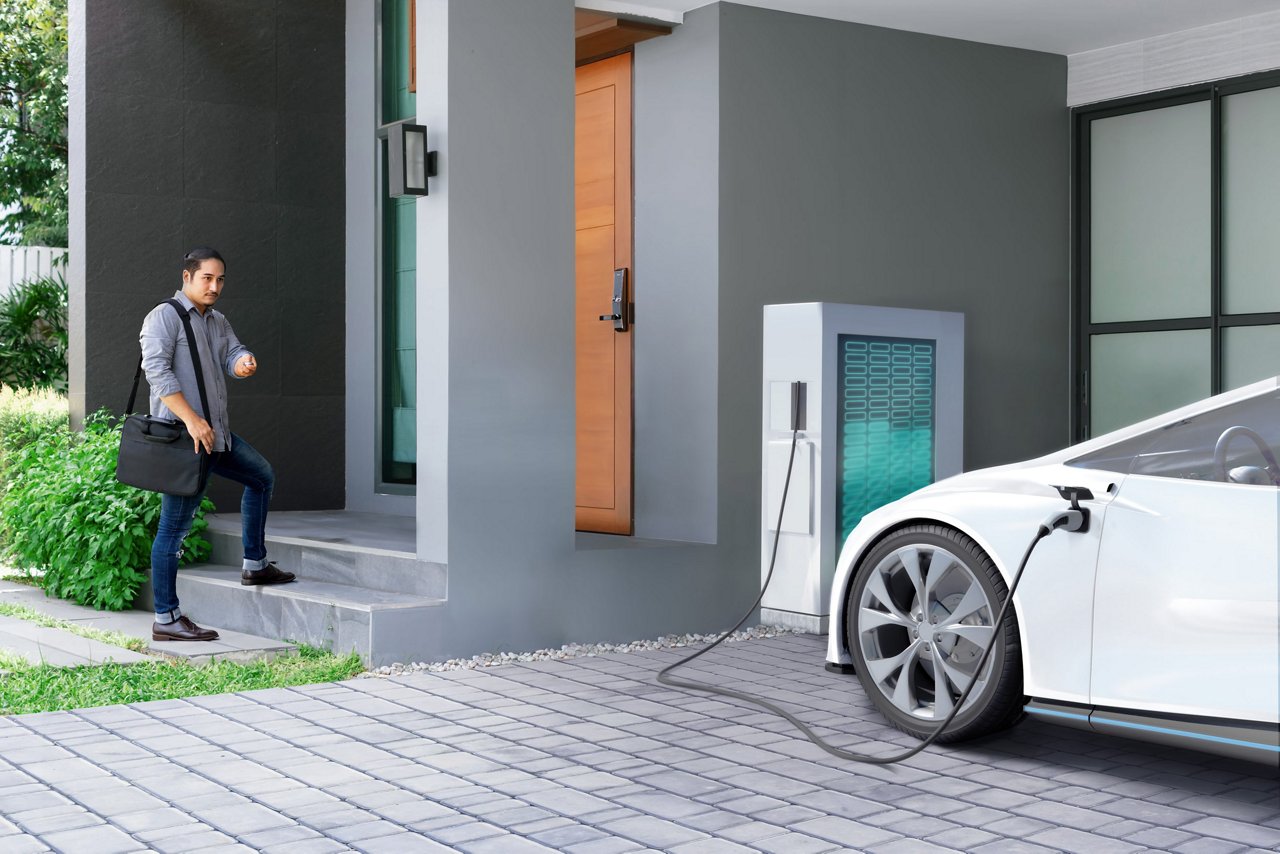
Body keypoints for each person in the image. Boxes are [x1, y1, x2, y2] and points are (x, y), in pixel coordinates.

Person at [140, 247, 295, 642]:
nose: (214, 286)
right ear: (187, 276)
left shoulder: (217, 320)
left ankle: (255, 563)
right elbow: (156, 373)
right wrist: (192, 420)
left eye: (220, 279)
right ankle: (166, 617)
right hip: (184, 441)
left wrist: (243, 361)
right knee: (173, 531)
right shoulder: (164, 316)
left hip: (217, 436)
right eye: (207, 278)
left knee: (261, 477)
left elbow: (232, 351)